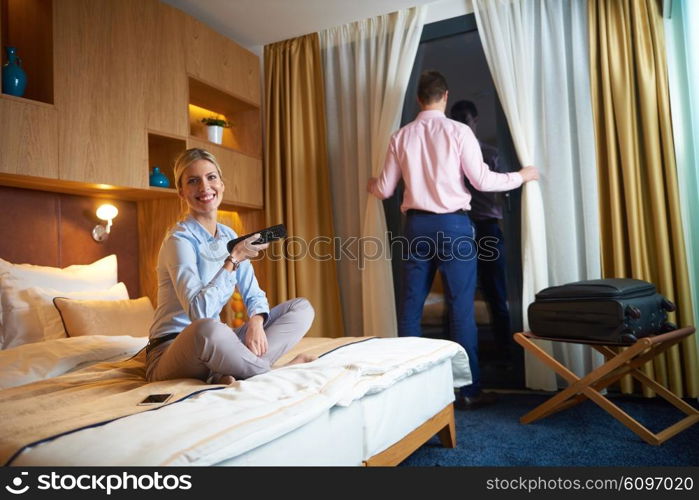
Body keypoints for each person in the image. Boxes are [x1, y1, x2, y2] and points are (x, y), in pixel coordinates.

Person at [367, 71, 539, 409]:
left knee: (411, 308)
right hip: (454, 227)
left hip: (416, 227)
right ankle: (468, 391)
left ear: (419, 98)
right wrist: (521, 176)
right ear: (444, 96)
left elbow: (385, 190)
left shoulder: (399, 136)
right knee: (462, 309)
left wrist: (371, 184)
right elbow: (482, 180)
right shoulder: (458, 131)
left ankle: (412, 390)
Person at [146, 148, 315, 385]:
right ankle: (274, 373)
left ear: (222, 184)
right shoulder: (179, 240)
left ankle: (230, 371)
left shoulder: (229, 235)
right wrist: (233, 259)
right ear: (182, 192)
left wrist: (256, 320)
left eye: (211, 177)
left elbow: (253, 293)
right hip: (173, 348)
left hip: (219, 344)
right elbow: (199, 314)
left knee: (301, 308)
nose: (204, 187)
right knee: (208, 329)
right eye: (193, 181)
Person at [450, 100, 512, 363]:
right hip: (464, 226)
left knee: (493, 293)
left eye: (466, 120)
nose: (465, 125)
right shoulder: (476, 155)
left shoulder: (489, 154)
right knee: (464, 295)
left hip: (481, 227)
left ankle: (506, 355)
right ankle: (493, 357)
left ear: (475, 120)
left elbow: (502, 189)